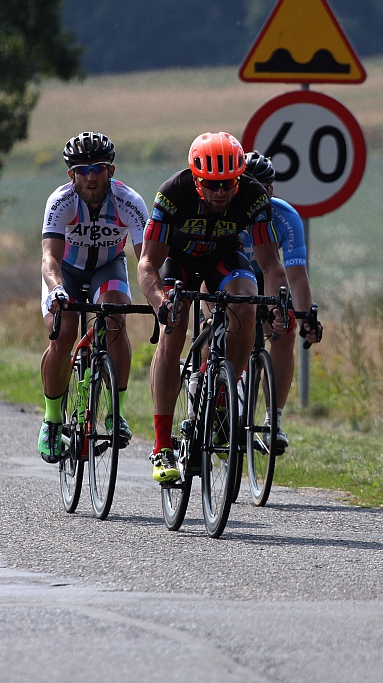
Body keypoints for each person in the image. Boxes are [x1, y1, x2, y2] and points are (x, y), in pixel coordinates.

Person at [137, 131, 292, 482]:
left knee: (246, 302)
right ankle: (162, 447)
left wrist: (281, 303)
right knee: (172, 331)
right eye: (212, 185)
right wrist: (160, 302)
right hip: (177, 262)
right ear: (196, 180)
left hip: (222, 259)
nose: (221, 193)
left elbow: (270, 263)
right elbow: (147, 263)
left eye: (228, 184)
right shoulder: (172, 193)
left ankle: (222, 392)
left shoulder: (252, 195)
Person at [38, 132, 149, 463]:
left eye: (98, 168)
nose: (90, 176)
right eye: (82, 169)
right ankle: (52, 421)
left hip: (108, 267)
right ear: (70, 174)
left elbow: (147, 261)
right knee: (63, 332)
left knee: (115, 318)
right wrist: (57, 288)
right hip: (67, 272)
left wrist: (160, 298)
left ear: (110, 171)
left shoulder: (130, 203)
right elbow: (50, 259)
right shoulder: (61, 202)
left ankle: (117, 412)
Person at [239, 151, 323, 454]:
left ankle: (273, 421)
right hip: (228, 274)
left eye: (262, 187)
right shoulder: (225, 212)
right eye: (246, 185)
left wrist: (304, 319)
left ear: (271, 191)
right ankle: (213, 386)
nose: (254, 193)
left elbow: (296, 275)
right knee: (224, 320)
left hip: (268, 277)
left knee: (284, 331)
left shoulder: (285, 216)